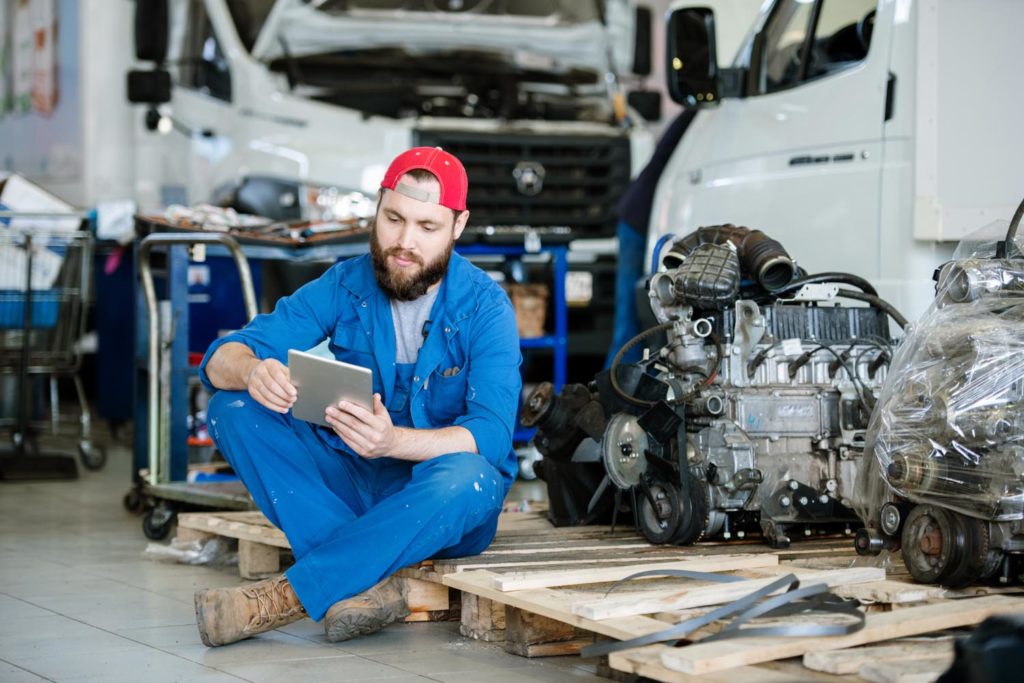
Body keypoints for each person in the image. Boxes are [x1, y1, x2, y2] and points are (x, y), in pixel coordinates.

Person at [193, 147, 523, 647]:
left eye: (427, 227)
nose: (405, 242)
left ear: (458, 226)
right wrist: (253, 370)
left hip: (432, 497)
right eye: (393, 219)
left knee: (471, 476)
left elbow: (492, 435)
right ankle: (366, 581)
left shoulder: (486, 307)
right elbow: (221, 358)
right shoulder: (344, 283)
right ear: (377, 207)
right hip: (351, 478)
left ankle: (286, 597)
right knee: (232, 408)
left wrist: (393, 443)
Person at [606, 111, 696, 367]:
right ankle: (611, 399)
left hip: (643, 215)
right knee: (630, 326)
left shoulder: (695, 116)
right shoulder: (699, 118)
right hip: (639, 218)